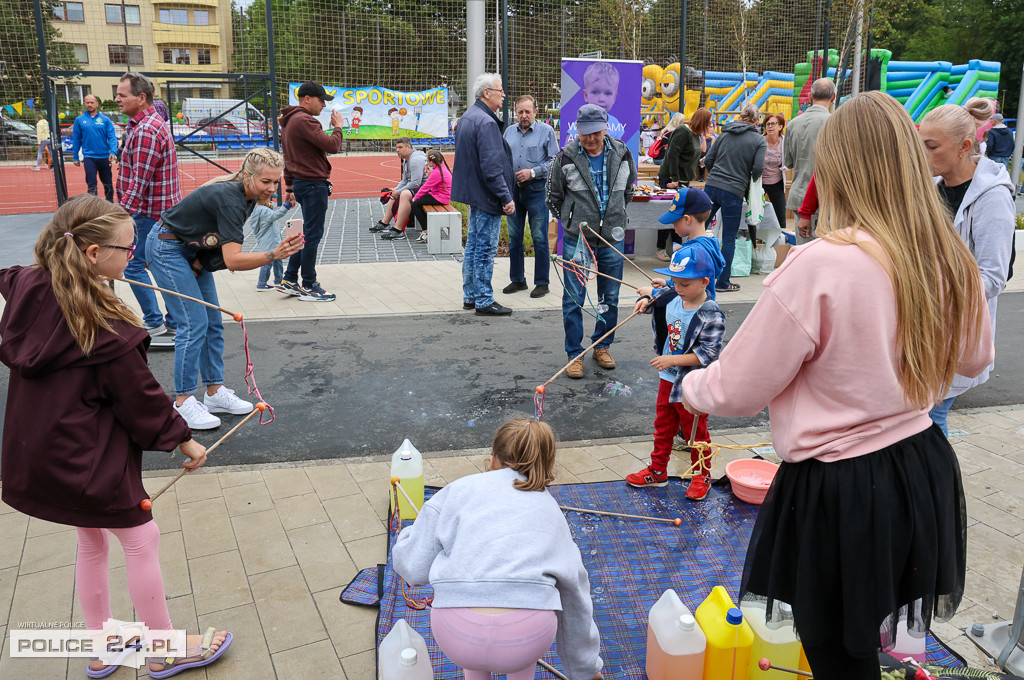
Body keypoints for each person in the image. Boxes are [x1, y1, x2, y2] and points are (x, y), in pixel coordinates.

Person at [679, 92, 993, 680]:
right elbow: (976, 358)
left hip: (843, 487)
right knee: (867, 636)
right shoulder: (947, 253)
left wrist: (691, 381)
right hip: (921, 467)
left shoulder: (820, 264)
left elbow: (738, 390)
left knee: (838, 655)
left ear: (839, 166)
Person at [0, 195, 232, 679]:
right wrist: (184, 439)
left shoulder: (28, 284)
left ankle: (105, 644)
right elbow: (142, 399)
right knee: (141, 538)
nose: (134, 257)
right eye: (127, 249)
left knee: (91, 540)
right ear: (90, 254)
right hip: (87, 459)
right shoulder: (105, 329)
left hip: (41, 453)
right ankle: (165, 647)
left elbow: (13, 274)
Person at [392, 419, 603, 680]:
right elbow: (575, 595)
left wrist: (406, 536)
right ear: (547, 465)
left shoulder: (456, 491)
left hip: (457, 632)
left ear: (492, 460)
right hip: (525, 637)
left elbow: (413, 569)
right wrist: (585, 668)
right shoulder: (551, 512)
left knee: (474, 649)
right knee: (518, 655)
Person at [146, 149, 303, 430]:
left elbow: (215, 243)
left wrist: (198, 264)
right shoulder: (232, 199)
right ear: (247, 176)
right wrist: (274, 255)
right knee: (194, 324)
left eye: (276, 182)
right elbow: (233, 260)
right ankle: (182, 402)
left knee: (213, 323)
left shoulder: (249, 197)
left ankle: (214, 392)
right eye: (266, 181)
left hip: (190, 250)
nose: (272, 188)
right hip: (166, 247)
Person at [919, 104, 1016, 436]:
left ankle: (936, 486)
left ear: (964, 146)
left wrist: (933, 284)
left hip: (957, 330)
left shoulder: (991, 198)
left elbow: (993, 277)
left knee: (930, 418)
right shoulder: (933, 185)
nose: (923, 153)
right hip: (926, 325)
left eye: (932, 146)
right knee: (921, 417)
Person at [546, 104, 637, 379]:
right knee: (574, 298)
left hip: (611, 237)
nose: (590, 139)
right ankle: (574, 353)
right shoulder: (565, 157)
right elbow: (553, 196)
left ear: (605, 127)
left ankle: (602, 345)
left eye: (595, 133)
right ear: (578, 130)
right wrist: (571, 220)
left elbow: (629, 189)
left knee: (609, 297)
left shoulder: (623, 153)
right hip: (578, 239)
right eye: (585, 134)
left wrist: (615, 216)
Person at [628, 244, 725, 501]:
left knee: (695, 431)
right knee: (663, 425)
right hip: (667, 379)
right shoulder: (673, 296)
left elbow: (708, 354)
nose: (678, 289)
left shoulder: (711, 313)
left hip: (692, 383)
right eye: (675, 282)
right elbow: (655, 300)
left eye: (684, 284)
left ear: (704, 282)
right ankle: (658, 471)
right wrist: (644, 301)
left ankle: (701, 474)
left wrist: (673, 359)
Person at [115, 71, 180, 346]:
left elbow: (139, 181)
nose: (117, 99)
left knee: (133, 267)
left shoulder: (147, 130)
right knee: (161, 265)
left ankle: (156, 322)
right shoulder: (144, 124)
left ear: (141, 98)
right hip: (156, 212)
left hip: (149, 214)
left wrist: (119, 216)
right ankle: (173, 321)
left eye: (122, 95)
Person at [452, 72, 516, 316]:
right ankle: (484, 300)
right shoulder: (487, 122)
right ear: (487, 93)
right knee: (485, 248)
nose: (503, 95)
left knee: (473, 246)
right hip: (487, 195)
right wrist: (506, 197)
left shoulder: (468, 117)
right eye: (500, 91)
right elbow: (491, 168)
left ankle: (471, 295)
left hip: (473, 193)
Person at [277, 81, 344, 302]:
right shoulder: (304, 119)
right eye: (321, 100)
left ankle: (289, 279)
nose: (324, 105)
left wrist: (289, 185)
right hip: (313, 184)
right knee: (313, 235)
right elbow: (332, 146)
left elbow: (288, 156)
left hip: (301, 183)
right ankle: (308, 284)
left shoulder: (288, 121)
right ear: (307, 99)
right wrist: (338, 126)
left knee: (306, 233)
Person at [703, 104, 766, 293]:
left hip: (712, 187)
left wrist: (716, 174)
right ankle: (723, 282)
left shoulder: (724, 134)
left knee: (698, 230)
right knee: (729, 238)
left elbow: (707, 160)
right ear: (756, 121)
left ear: (740, 117)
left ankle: (688, 273)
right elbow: (758, 169)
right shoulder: (758, 140)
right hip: (734, 190)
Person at [502, 94, 559, 298]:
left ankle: (542, 283)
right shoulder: (508, 132)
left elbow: (555, 161)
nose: (524, 115)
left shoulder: (547, 132)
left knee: (539, 237)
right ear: (515, 113)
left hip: (536, 190)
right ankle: (518, 280)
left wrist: (532, 172)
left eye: (528, 111)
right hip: (513, 191)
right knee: (515, 238)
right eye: (520, 112)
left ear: (536, 111)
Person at [785, 78, 835, 243]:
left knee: (803, 250)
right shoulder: (834, 123)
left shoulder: (793, 123)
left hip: (800, 194)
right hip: (826, 198)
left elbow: (788, 162)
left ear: (810, 96)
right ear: (833, 97)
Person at [655, 112, 701, 260]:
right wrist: (675, 179)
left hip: (683, 179)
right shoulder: (683, 131)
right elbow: (672, 155)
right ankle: (661, 247)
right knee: (670, 213)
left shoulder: (694, 134)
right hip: (673, 179)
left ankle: (676, 248)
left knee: (679, 215)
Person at [370, 137, 428, 240]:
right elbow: (405, 181)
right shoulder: (407, 159)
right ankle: (385, 222)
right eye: (396, 147)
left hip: (431, 192)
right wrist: (395, 191)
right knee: (395, 192)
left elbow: (415, 183)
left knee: (404, 194)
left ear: (408, 147)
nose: (397, 150)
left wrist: (399, 192)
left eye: (400, 147)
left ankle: (398, 230)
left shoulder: (415, 160)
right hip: (422, 189)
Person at [71, 94, 119, 201]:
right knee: (91, 184)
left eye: (92, 102)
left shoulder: (105, 120)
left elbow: (112, 137)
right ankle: (93, 208)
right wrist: (75, 157)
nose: (90, 105)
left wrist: (113, 152)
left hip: (105, 157)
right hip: (89, 157)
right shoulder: (79, 120)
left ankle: (109, 205)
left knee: (108, 184)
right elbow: (76, 139)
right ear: (84, 104)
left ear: (97, 104)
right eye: (87, 102)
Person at [409, 149, 453, 244]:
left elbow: (425, 187)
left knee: (415, 204)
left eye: (427, 160)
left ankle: (426, 230)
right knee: (420, 201)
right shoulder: (440, 168)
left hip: (441, 198)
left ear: (432, 162)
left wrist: (415, 198)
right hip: (441, 195)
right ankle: (427, 226)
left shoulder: (437, 172)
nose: (426, 162)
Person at [250, 197, 294, 291]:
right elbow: (276, 215)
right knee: (267, 261)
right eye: (269, 198)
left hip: (267, 240)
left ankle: (279, 280)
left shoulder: (255, 210)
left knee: (277, 260)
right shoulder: (263, 210)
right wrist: (287, 205)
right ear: (262, 200)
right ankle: (262, 284)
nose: (271, 201)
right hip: (270, 241)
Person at [761, 113, 787, 232]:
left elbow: (791, 157)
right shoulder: (760, 141)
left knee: (781, 214)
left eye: (773, 124)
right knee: (756, 213)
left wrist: (787, 166)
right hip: (760, 182)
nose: (770, 127)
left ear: (780, 126)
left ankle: (781, 239)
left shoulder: (785, 142)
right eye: (768, 124)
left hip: (777, 181)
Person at [581, 62, 622, 136]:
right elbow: (569, 146)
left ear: (614, 98)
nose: (601, 99)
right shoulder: (580, 123)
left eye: (608, 93)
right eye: (595, 92)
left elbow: (621, 146)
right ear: (586, 95)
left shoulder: (615, 124)